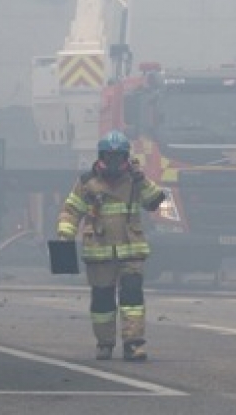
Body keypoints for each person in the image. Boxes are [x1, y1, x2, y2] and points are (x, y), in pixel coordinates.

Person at [57, 130, 167, 361]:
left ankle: (133, 343)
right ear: (101, 156)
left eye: (119, 157)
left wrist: (142, 179)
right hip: (99, 251)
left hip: (131, 251)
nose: (115, 162)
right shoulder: (87, 182)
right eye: (110, 157)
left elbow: (155, 201)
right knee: (102, 301)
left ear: (126, 158)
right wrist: (65, 234)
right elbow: (71, 210)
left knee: (132, 298)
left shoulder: (135, 181)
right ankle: (105, 343)